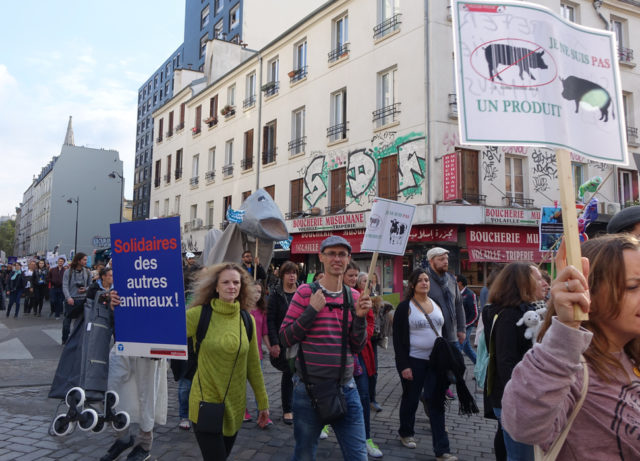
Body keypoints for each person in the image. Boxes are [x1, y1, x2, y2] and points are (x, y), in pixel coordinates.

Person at [502, 234, 640, 459]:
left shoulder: (630, 355)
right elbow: (522, 424)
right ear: (586, 293)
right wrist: (566, 329)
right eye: (633, 286)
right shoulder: (572, 369)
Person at [279, 235, 371, 461]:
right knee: (304, 454)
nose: (337, 259)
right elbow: (285, 338)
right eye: (331, 253)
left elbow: (357, 346)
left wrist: (360, 318)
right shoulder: (305, 293)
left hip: (346, 389)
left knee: (358, 455)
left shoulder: (354, 296)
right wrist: (311, 311)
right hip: (308, 390)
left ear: (348, 258)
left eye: (342, 254)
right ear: (321, 257)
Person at [187, 262, 269, 461]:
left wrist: (263, 402)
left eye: (236, 282)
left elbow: (253, 366)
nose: (231, 286)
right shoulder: (198, 315)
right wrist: (120, 307)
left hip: (235, 406)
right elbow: (161, 331)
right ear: (215, 286)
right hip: (205, 403)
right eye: (225, 282)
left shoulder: (247, 320)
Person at [483, 262, 547, 461]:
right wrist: (522, 398)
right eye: (538, 279)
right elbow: (506, 362)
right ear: (523, 284)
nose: (544, 283)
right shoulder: (510, 315)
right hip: (515, 399)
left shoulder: (525, 311)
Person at [393, 268, 458, 460]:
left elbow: (443, 331)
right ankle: (406, 432)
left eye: (427, 280)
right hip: (414, 360)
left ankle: (442, 450)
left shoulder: (436, 303)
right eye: (420, 280)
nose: (424, 283)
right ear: (412, 284)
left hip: (436, 362)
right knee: (411, 399)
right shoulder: (405, 307)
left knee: (436, 402)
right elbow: (398, 340)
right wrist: (404, 365)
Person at [425, 247, 466, 400]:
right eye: (441, 259)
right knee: (436, 365)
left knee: (458, 365)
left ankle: (443, 386)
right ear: (431, 261)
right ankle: (434, 392)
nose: (445, 262)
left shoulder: (451, 280)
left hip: (452, 333)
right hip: (433, 334)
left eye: (446, 259)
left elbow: (458, 305)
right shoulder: (424, 280)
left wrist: (461, 328)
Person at [266, 260, 299, 425]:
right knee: (288, 373)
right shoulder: (276, 295)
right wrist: (274, 342)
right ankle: (288, 409)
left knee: (302, 374)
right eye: (288, 273)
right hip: (284, 340)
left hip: (300, 339)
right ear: (282, 275)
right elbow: (270, 321)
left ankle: (300, 406)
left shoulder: (302, 292)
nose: (292, 276)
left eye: (294, 273)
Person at [244, 282, 273, 425]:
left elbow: (264, 332)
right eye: (254, 291)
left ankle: (262, 412)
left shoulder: (262, 311)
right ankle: (242, 410)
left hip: (257, 354)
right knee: (240, 385)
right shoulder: (242, 309)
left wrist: (270, 347)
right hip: (242, 352)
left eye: (259, 292)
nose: (257, 295)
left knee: (259, 385)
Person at [61, 253, 91, 344]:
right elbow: (65, 286)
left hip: (83, 299)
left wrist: (85, 289)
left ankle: (77, 339)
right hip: (71, 299)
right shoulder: (68, 272)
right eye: (84, 260)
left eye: (86, 260)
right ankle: (65, 339)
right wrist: (68, 298)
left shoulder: (87, 272)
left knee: (81, 321)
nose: (86, 262)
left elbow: (91, 286)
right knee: (67, 321)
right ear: (78, 260)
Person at [456, 274, 477, 364]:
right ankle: (480, 366)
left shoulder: (470, 294)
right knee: (467, 349)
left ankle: (454, 368)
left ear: (460, 283)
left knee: (458, 348)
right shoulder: (455, 293)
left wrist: (466, 325)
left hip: (466, 326)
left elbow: (475, 314)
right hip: (457, 326)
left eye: (455, 281)